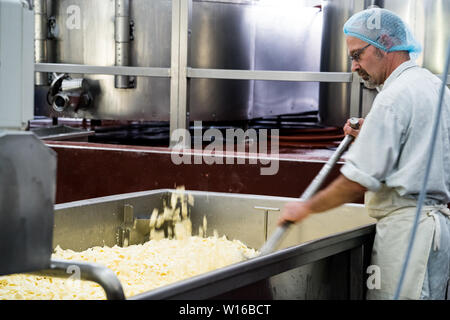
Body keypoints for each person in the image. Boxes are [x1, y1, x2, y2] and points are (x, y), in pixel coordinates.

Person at [279, 8, 450, 300]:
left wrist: (306, 208)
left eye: (358, 55)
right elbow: (420, 145)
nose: (355, 66)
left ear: (385, 43)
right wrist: (370, 134)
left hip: (406, 237)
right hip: (436, 236)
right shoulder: (435, 87)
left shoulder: (391, 98)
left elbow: (357, 181)